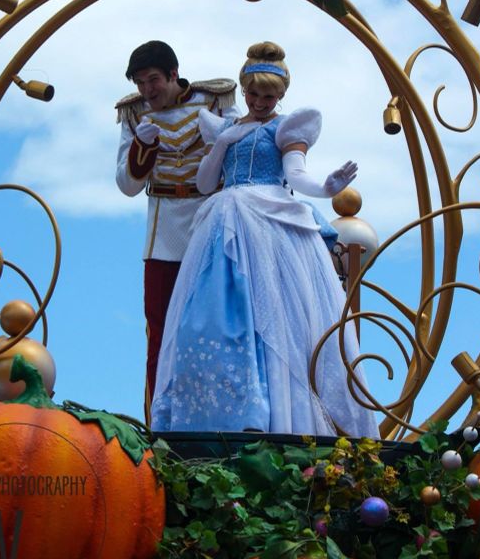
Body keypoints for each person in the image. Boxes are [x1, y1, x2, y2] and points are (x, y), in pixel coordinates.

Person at [151, 42, 378, 437]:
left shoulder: (286, 128)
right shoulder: (224, 128)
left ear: (281, 95)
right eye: (253, 94)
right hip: (224, 220)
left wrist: (327, 187)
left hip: (270, 223)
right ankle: (230, 412)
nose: (258, 102)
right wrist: (222, 143)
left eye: (268, 97)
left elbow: (296, 175)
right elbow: (205, 183)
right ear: (243, 90)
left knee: (280, 316)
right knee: (218, 316)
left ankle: (284, 417)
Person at [116, 41, 237, 419]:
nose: (146, 90)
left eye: (153, 80)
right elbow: (127, 185)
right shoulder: (134, 115)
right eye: (139, 83)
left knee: (220, 327)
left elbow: (240, 152)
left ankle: (223, 422)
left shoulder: (215, 101)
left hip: (210, 224)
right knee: (160, 332)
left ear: (173, 74)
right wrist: (142, 148)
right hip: (164, 233)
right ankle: (159, 423)